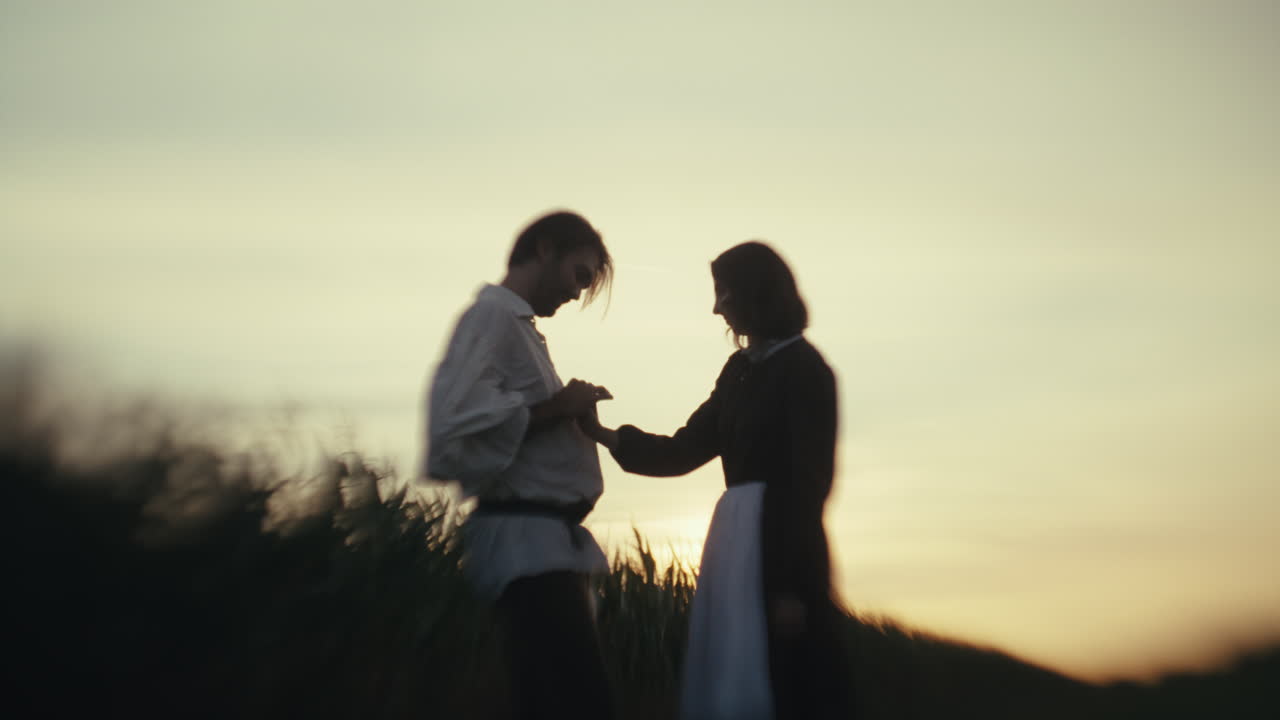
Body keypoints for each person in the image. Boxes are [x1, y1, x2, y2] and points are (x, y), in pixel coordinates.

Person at [579, 241, 851, 720]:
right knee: (731, 673)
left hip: (780, 542)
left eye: (723, 293)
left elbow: (809, 488)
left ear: (755, 293)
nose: (716, 307)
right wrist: (604, 435)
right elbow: (685, 449)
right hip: (733, 540)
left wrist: (792, 586)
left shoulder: (807, 370)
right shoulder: (739, 370)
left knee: (783, 678)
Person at [425, 210, 617, 720]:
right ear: (545, 249)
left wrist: (573, 414)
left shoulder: (516, 327)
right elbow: (453, 425)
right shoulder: (490, 317)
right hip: (526, 549)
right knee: (577, 702)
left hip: (545, 548)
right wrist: (559, 406)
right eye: (579, 274)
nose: (577, 293)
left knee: (556, 700)